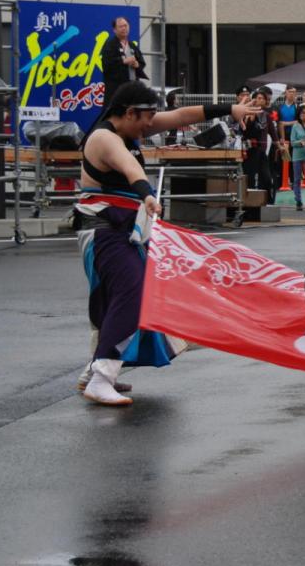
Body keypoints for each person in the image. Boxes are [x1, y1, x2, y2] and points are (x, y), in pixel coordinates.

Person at [76, 82, 258, 406]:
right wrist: (147, 192)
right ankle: (103, 375)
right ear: (129, 112)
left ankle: (96, 371)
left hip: (122, 231)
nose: (151, 124)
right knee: (133, 294)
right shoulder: (105, 137)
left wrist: (229, 109)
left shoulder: (130, 129)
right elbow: (129, 166)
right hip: (105, 230)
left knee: (115, 299)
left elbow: (180, 115)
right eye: (146, 117)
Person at [242, 89, 278, 202]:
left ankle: (267, 200)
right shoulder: (247, 113)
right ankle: (249, 201)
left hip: (262, 151)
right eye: (258, 98)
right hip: (250, 150)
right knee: (250, 177)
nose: (260, 100)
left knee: (266, 177)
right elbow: (245, 131)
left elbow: (272, 132)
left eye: (262, 98)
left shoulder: (266, 116)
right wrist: (250, 118)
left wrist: (279, 145)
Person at [101, 17, 148, 103]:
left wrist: (137, 65)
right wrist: (123, 61)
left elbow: (141, 62)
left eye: (125, 26)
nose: (124, 28)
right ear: (114, 30)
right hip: (116, 88)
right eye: (121, 26)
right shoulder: (110, 45)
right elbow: (107, 64)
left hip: (132, 86)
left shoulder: (132, 45)